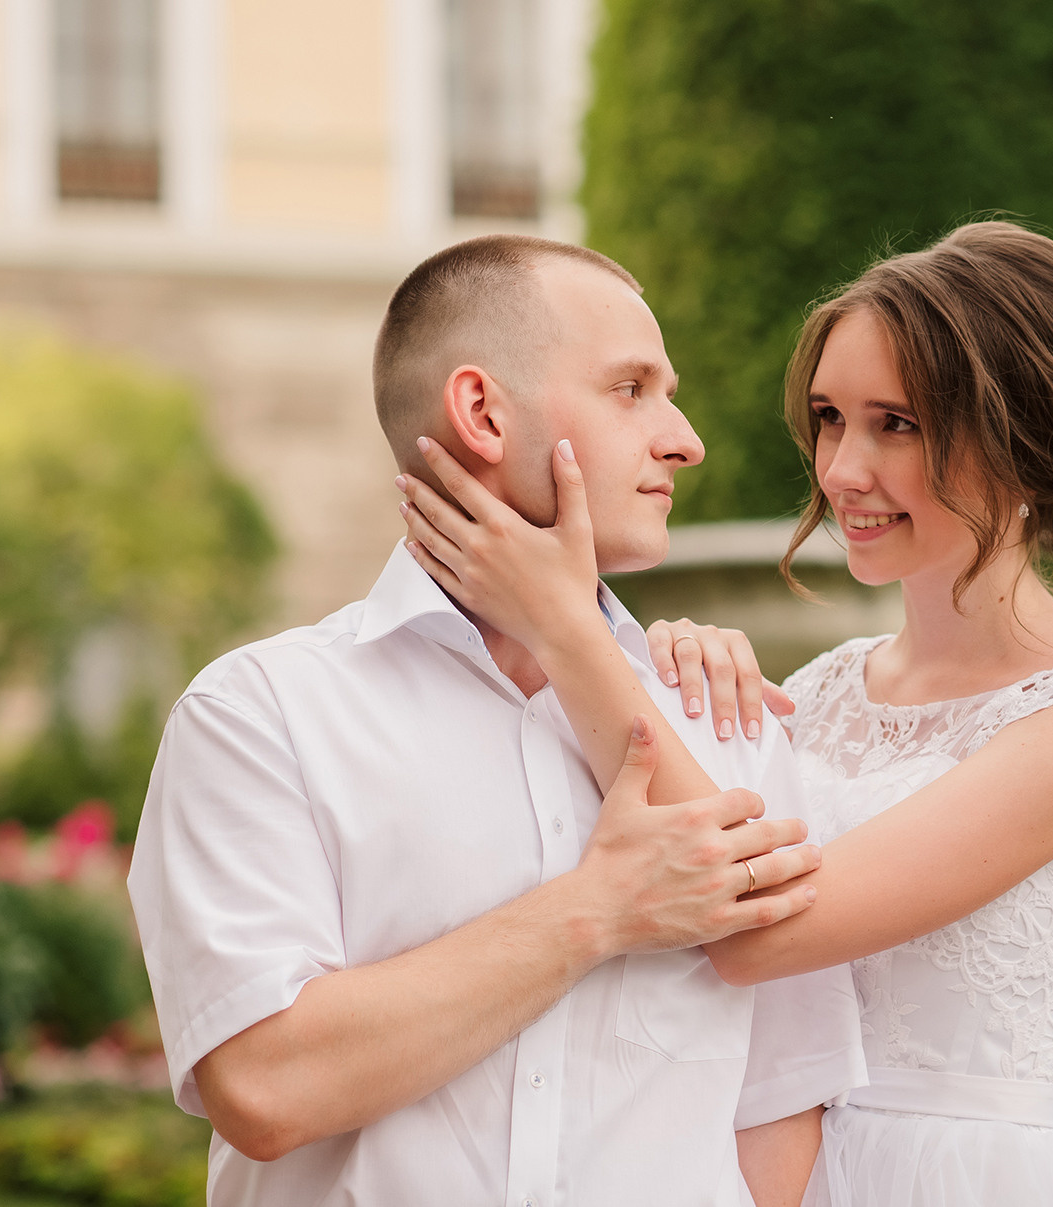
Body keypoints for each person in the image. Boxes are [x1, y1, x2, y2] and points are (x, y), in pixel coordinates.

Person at [398, 220, 1053, 1205]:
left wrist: (570, 631)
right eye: (830, 417)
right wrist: (663, 669)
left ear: (1018, 438)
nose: (842, 469)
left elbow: (757, 931)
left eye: (897, 422)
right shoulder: (816, 691)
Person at [127, 235, 867, 1207]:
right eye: (630, 388)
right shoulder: (261, 715)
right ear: (481, 410)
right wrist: (599, 909)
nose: (683, 438)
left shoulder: (726, 720)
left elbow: (782, 1102)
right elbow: (265, 1084)